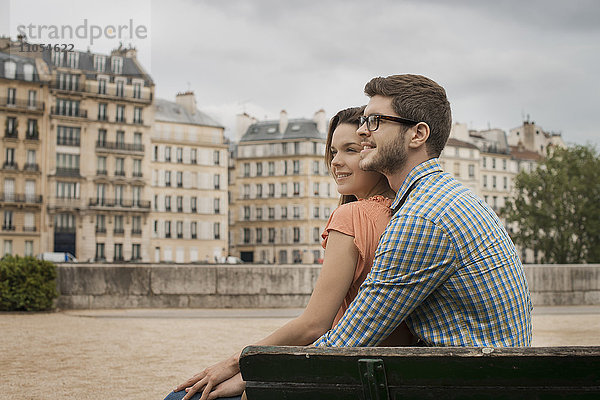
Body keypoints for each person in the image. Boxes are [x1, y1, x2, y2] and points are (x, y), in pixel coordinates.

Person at [163, 106, 414, 400]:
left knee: (179, 398)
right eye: (333, 151)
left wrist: (240, 364)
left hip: (347, 378)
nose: (336, 162)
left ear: (375, 153)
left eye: (351, 150)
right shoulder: (406, 215)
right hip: (388, 377)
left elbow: (314, 325)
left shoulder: (351, 217)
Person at [313, 74, 533, 349]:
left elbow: (348, 340)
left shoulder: (422, 217)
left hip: (467, 385)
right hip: (493, 376)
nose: (361, 131)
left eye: (375, 121)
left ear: (417, 134)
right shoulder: (450, 195)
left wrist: (252, 368)